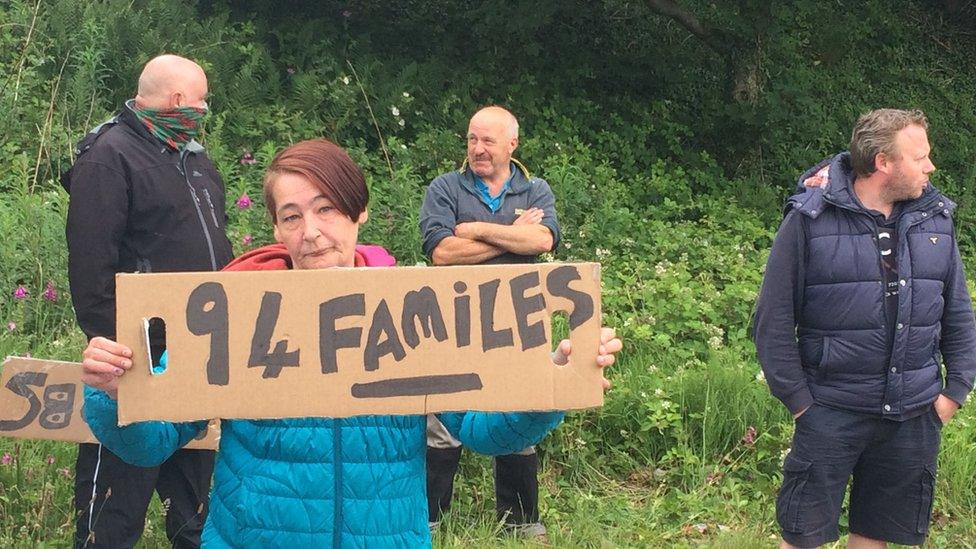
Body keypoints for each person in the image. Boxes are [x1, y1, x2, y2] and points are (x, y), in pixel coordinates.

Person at [79, 138, 623, 547]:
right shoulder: (232, 313)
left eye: (327, 208)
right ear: (276, 229)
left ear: (358, 211)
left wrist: (551, 381)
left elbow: (484, 429)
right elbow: (151, 442)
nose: (311, 231)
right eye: (291, 216)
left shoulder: (414, 307)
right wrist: (113, 393)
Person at [752, 108, 976, 549]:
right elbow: (772, 320)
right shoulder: (809, 220)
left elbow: (959, 312)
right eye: (920, 157)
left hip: (913, 414)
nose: (930, 167)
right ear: (882, 163)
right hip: (829, 411)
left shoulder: (936, 220)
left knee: (874, 536)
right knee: (802, 537)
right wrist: (801, 404)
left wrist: (954, 392)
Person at [63, 54, 233, 548]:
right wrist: (118, 352)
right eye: (201, 103)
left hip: (199, 354)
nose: (204, 112)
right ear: (179, 101)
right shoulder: (108, 156)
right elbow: (90, 268)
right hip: (134, 361)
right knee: (113, 510)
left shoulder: (195, 158)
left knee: (194, 507)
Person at [418, 106, 559, 537]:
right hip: (453, 321)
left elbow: (544, 239)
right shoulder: (444, 187)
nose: (477, 149)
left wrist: (474, 228)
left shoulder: (535, 188)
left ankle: (519, 523)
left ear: (511, 144)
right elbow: (440, 251)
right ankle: (431, 520)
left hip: (519, 320)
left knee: (516, 415)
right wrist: (510, 236)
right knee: (442, 422)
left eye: (488, 141)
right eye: (472, 139)